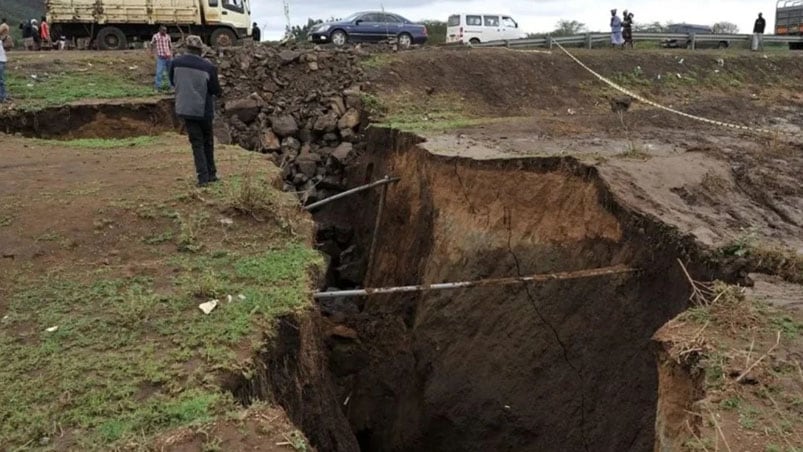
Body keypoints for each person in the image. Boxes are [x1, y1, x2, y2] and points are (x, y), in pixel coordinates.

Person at [169, 35, 222, 187]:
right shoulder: (208, 67)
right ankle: (211, 175)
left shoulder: (175, 63)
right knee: (208, 142)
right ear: (200, 50)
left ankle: (202, 178)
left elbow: (173, 81)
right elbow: (215, 90)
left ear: (186, 48)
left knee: (196, 143)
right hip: (204, 110)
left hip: (185, 108)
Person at [150, 26, 173, 91]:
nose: (165, 32)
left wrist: (171, 54)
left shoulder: (168, 36)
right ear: (160, 30)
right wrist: (152, 53)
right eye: (163, 30)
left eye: (165, 30)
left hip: (168, 57)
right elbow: (152, 44)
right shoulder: (155, 36)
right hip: (161, 57)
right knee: (159, 72)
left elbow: (170, 46)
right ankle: (158, 87)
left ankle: (171, 86)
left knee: (170, 72)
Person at [0, 30, 7, 103]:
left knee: (1, 80)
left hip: (1, 60)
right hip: (1, 61)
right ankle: (2, 96)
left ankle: (2, 96)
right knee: (1, 80)